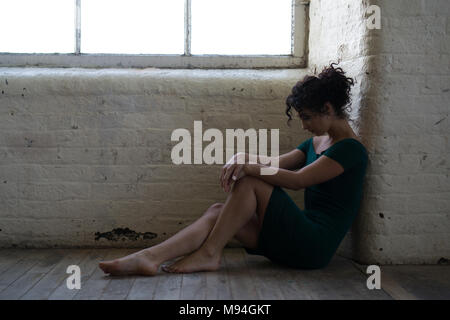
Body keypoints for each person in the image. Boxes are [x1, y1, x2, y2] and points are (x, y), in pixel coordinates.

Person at [98, 62, 368, 275]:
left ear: (328, 108)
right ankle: (149, 257)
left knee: (251, 181)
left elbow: (297, 180)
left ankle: (209, 253)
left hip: (314, 247)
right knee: (218, 211)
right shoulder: (316, 141)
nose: (304, 125)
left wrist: (249, 168)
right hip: (298, 237)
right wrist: (244, 156)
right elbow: (274, 164)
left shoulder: (350, 149)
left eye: (307, 117)